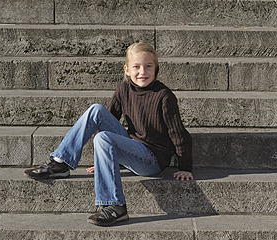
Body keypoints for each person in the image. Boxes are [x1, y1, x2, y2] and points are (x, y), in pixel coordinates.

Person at [24, 42, 193, 226]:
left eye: (148, 66)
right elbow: (106, 121)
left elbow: (178, 132)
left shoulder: (163, 96)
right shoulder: (123, 89)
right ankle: (60, 163)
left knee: (103, 138)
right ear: (127, 70)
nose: (142, 71)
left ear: (156, 69)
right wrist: (104, 160)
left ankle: (115, 206)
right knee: (96, 110)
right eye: (136, 67)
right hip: (132, 146)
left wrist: (185, 166)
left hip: (152, 159)